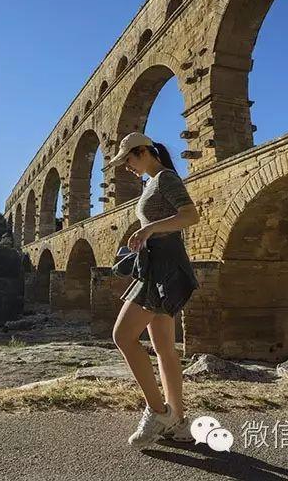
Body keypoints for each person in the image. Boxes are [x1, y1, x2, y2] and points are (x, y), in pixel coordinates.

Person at [102, 131, 201, 448]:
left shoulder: (165, 178)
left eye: (128, 159)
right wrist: (146, 235)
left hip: (163, 269)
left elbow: (191, 215)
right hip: (160, 266)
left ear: (143, 151)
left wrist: (148, 228)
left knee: (123, 336)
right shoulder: (152, 182)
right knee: (165, 349)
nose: (126, 166)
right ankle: (179, 422)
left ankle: (158, 412)